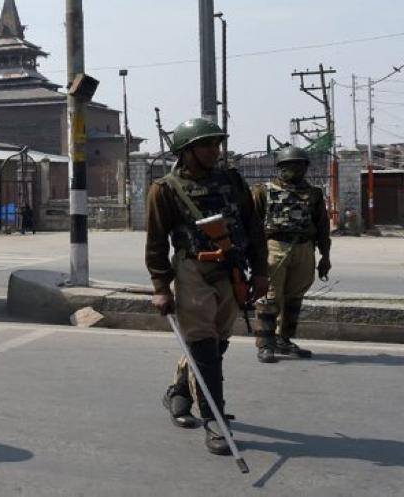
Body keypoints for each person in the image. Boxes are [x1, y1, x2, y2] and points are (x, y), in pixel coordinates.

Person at [146, 118, 269, 456]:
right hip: (192, 268)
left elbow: (253, 228)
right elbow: (156, 243)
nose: (215, 151)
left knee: (219, 341)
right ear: (186, 151)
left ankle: (180, 390)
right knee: (202, 341)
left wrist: (260, 271)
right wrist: (161, 286)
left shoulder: (232, 180)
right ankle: (214, 419)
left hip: (231, 269)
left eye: (217, 144)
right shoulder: (165, 189)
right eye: (206, 145)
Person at [252, 146, 331, 363]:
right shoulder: (263, 191)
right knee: (269, 298)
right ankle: (265, 344)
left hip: (304, 248)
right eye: (290, 165)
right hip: (275, 246)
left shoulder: (314, 194)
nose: (295, 169)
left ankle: (283, 339)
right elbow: (253, 225)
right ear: (280, 167)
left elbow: (322, 226)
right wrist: (254, 257)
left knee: (294, 298)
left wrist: (325, 256)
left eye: (300, 165)